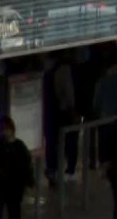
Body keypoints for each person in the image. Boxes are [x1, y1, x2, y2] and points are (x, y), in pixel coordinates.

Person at [0, 116, 33, 219]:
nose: (5, 132)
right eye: (3, 129)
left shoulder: (19, 147)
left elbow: (26, 166)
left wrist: (28, 181)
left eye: (6, 129)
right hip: (0, 186)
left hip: (13, 187)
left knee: (12, 212)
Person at [43, 51, 79, 186]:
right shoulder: (64, 69)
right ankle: (68, 170)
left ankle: (52, 170)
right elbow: (68, 92)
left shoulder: (44, 68)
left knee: (51, 142)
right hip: (62, 111)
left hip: (48, 111)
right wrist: (72, 107)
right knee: (68, 141)